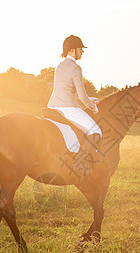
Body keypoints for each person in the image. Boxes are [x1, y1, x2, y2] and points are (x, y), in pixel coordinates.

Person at [47, 35, 102, 174]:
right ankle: (81, 165)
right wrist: (92, 106)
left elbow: (68, 91)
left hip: (53, 106)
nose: (82, 52)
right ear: (72, 50)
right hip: (67, 109)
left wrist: (90, 99)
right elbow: (82, 97)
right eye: (80, 49)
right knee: (96, 132)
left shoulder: (60, 66)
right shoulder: (76, 68)